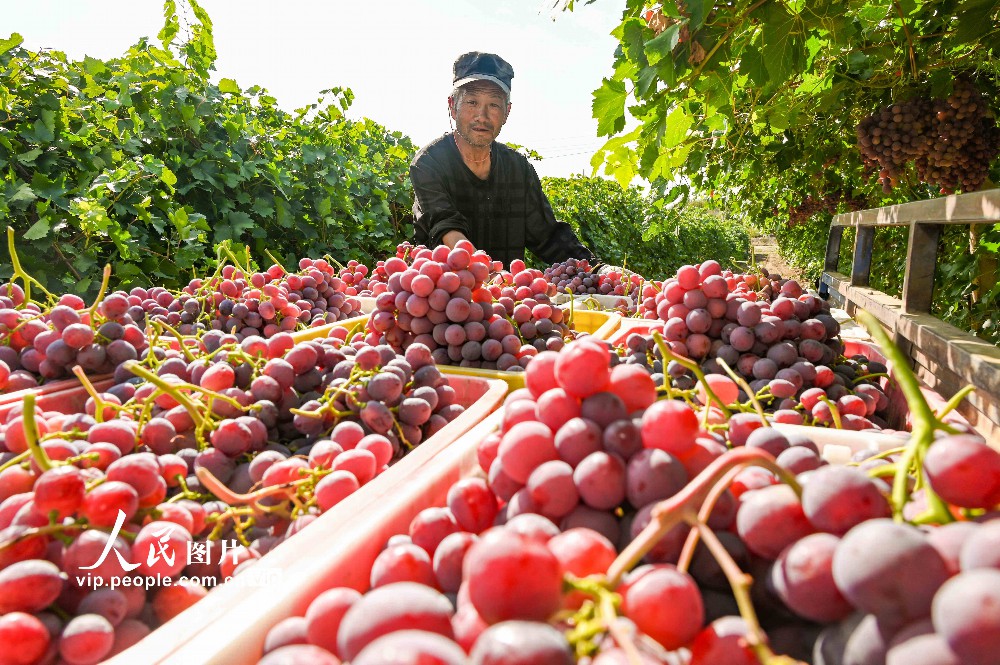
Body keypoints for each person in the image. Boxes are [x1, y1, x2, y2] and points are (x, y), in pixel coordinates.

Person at [410, 51, 612, 272]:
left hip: (506, 291)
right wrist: (488, 273)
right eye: (472, 102)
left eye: (494, 105)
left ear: (507, 112)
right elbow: (447, 228)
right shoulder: (429, 163)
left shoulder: (518, 169)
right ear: (452, 106)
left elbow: (548, 236)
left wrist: (599, 270)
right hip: (447, 291)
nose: (482, 116)